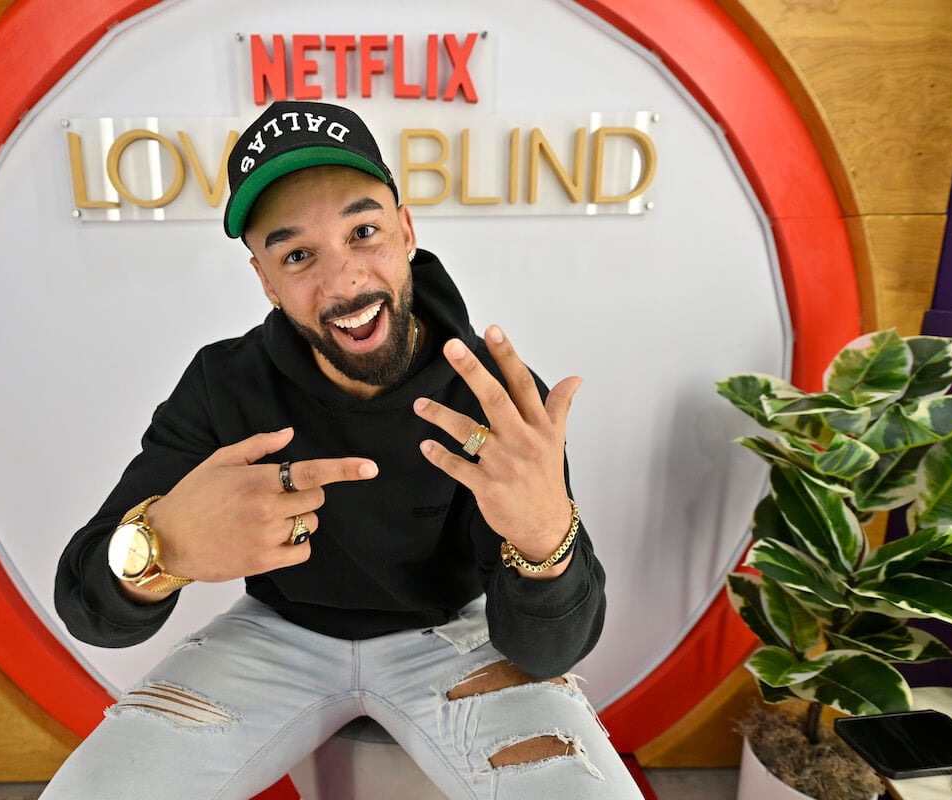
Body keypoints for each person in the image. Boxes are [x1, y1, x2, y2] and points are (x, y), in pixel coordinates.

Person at [43, 100, 642, 799]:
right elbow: (86, 605)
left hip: (451, 634)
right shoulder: (223, 385)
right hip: (276, 636)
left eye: (364, 231)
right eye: (298, 254)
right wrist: (162, 549)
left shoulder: (493, 392)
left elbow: (548, 648)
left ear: (407, 229)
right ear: (265, 280)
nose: (345, 281)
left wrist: (546, 540)